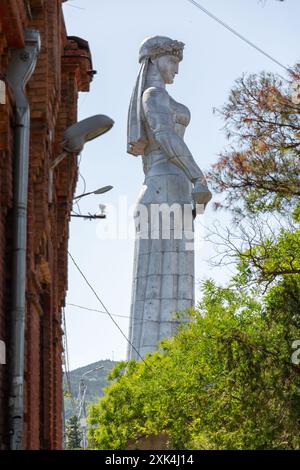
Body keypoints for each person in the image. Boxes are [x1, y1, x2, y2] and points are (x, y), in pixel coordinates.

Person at [127, 36, 212, 361]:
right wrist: (197, 176)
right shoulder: (152, 96)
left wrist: (192, 184)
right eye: (171, 61)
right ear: (155, 60)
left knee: (179, 287)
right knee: (156, 290)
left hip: (175, 191)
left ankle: (177, 370)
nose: (175, 69)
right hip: (164, 188)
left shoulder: (163, 95)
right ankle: (153, 372)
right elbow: (163, 136)